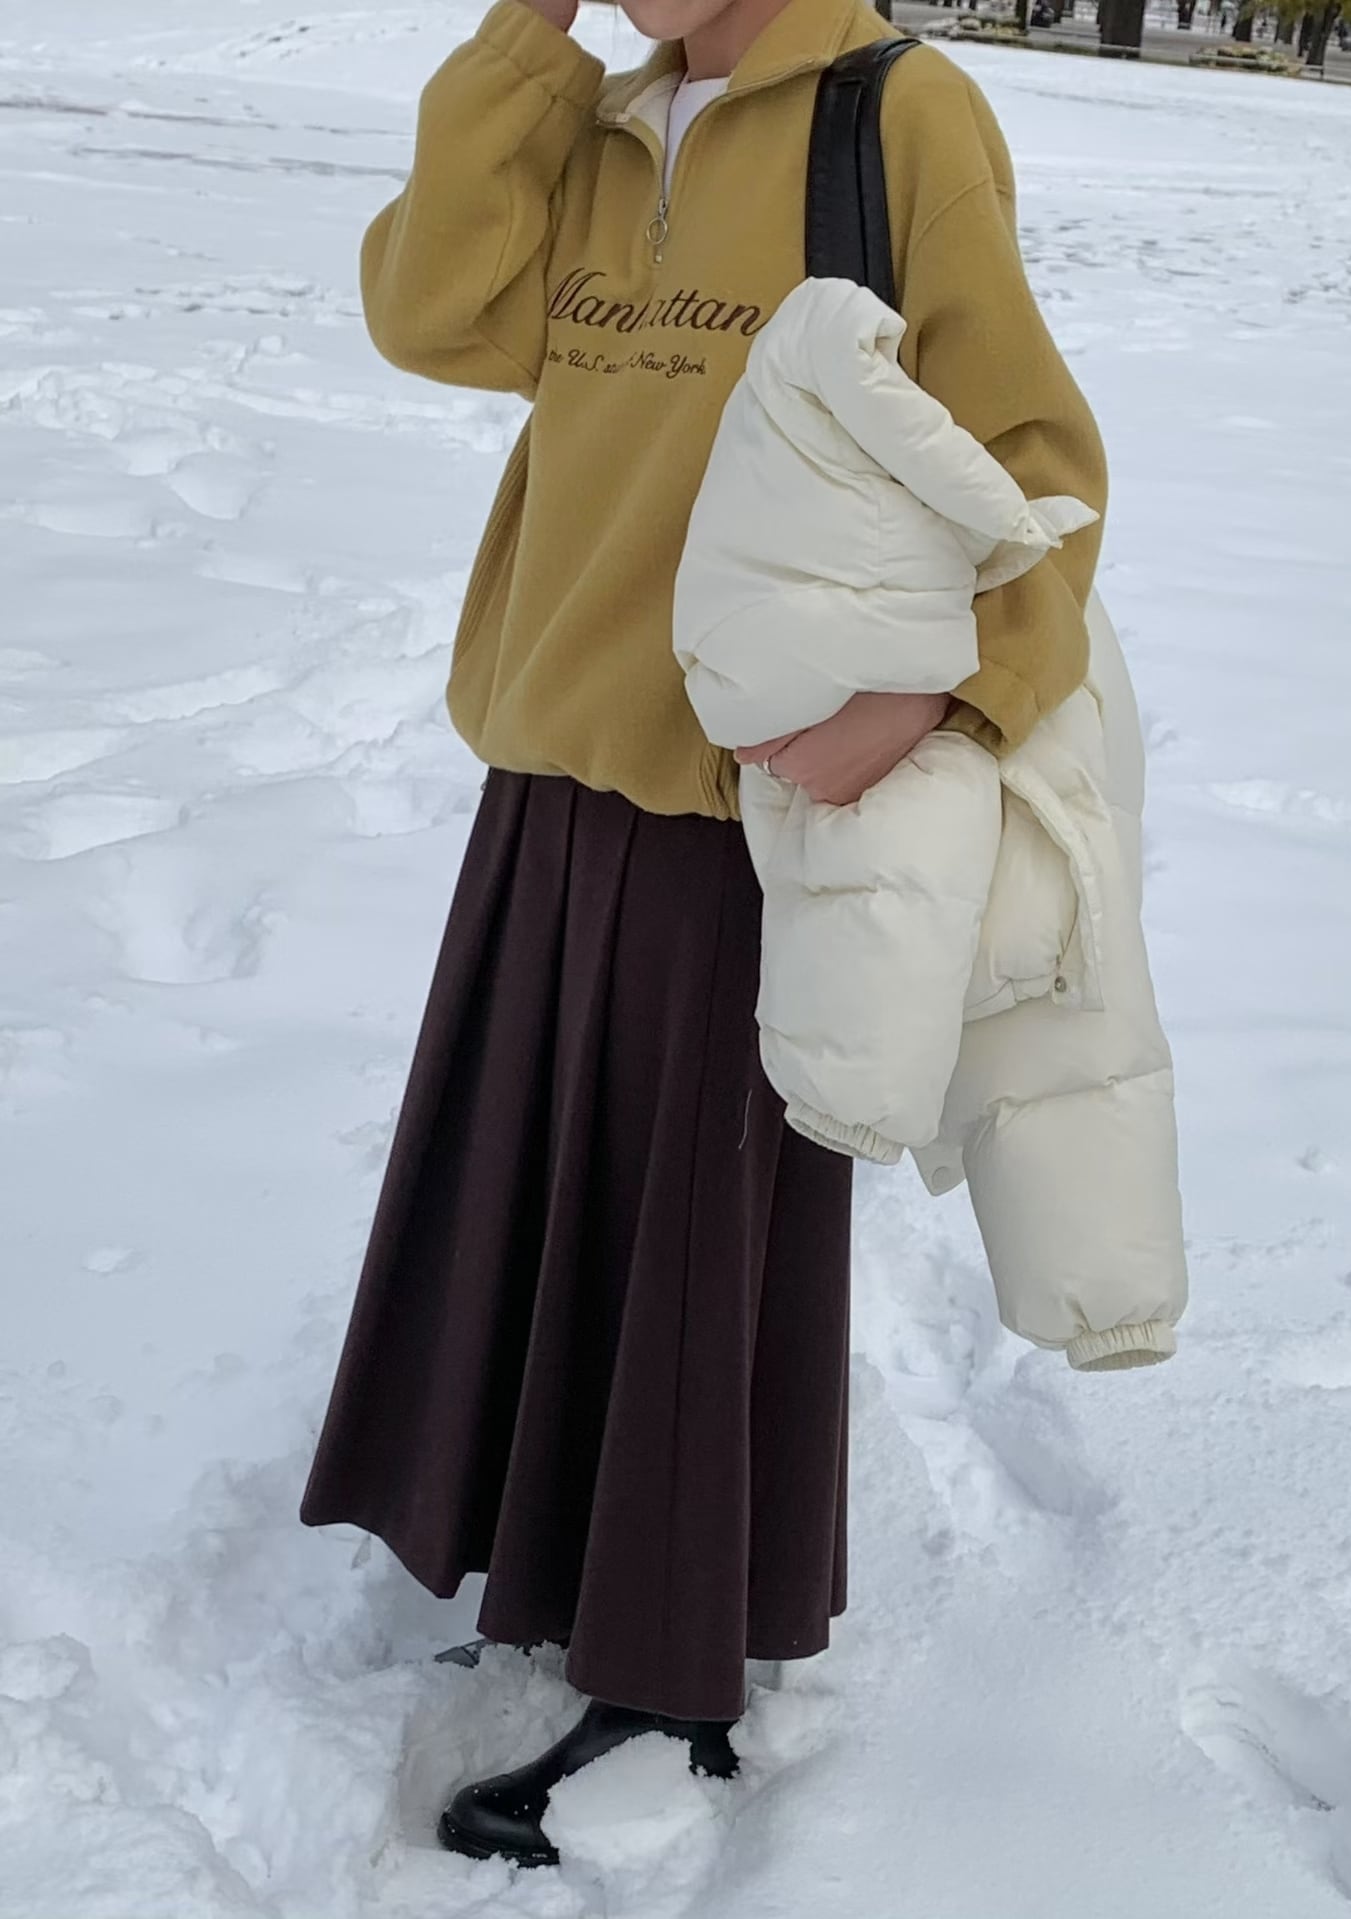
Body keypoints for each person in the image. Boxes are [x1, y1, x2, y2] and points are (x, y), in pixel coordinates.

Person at [299, 0, 1107, 1869]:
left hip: (758, 803)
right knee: (544, 1204)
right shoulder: (595, 122)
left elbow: (1039, 467)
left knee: (693, 1253)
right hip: (555, 776)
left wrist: (940, 701)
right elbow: (430, 314)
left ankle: (672, 1703)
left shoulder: (898, 119)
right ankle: (549, 1569)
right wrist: (525, 51)